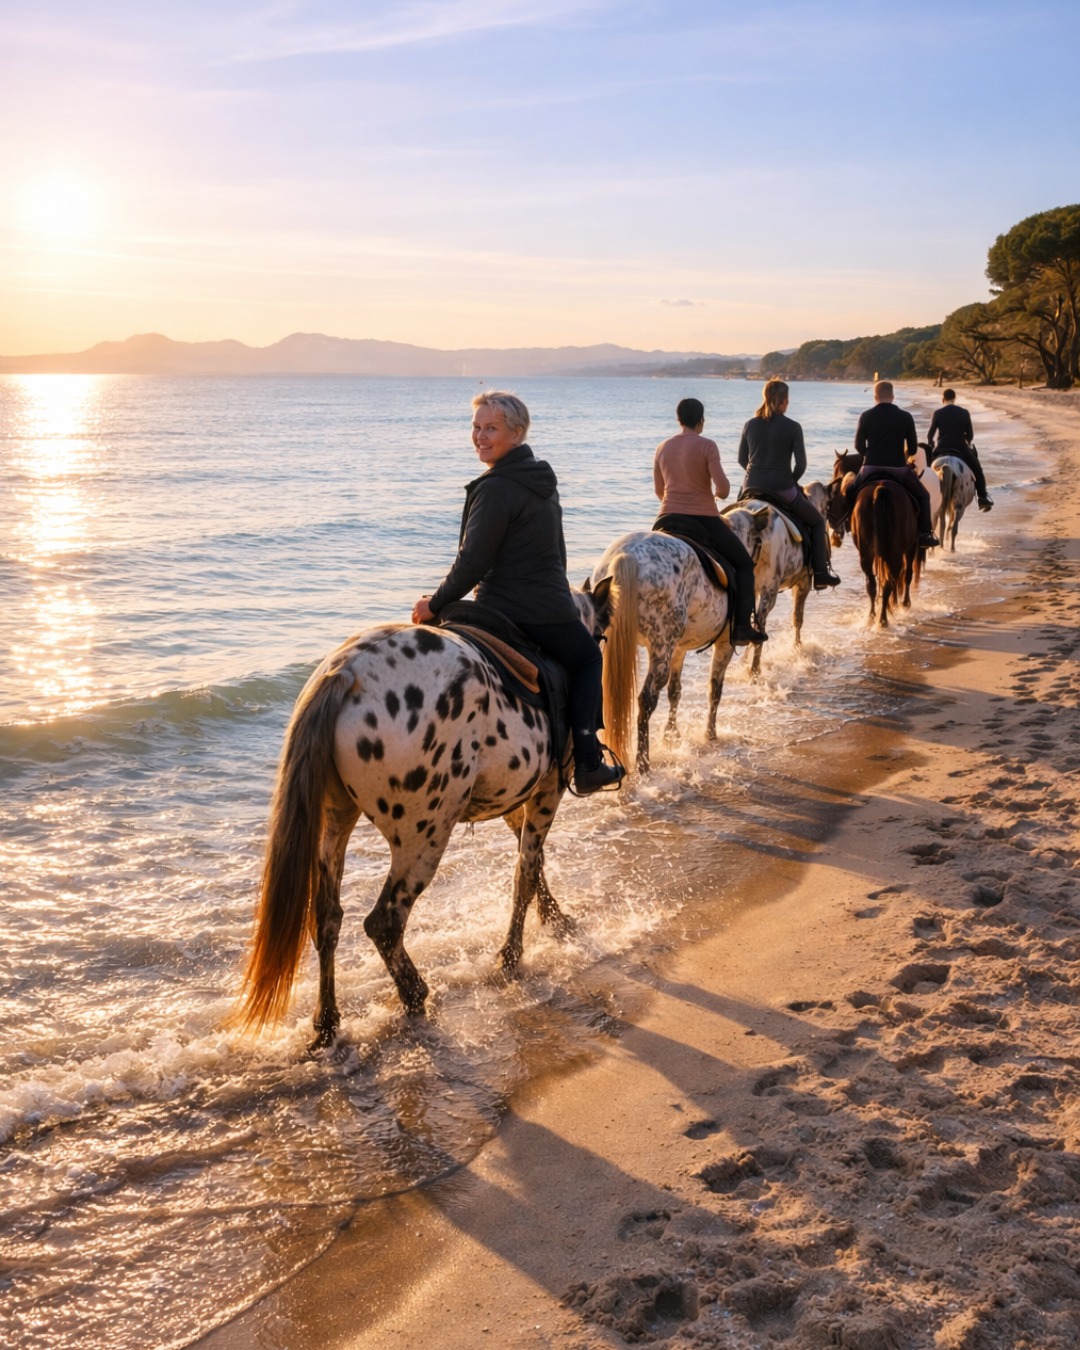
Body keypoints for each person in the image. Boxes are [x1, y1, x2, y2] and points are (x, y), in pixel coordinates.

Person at [412, 391, 623, 795]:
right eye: (476, 427)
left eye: (490, 428)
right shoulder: (541, 480)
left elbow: (471, 562)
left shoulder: (496, 488)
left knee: (587, 657)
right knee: (587, 658)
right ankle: (587, 759)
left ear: (517, 433)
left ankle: (586, 759)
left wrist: (433, 605)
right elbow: (557, 553)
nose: (479, 436)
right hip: (545, 605)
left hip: (503, 607)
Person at [652, 398, 766, 645]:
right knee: (745, 565)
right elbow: (724, 490)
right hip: (703, 519)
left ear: (679, 420)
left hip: (666, 518)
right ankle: (742, 628)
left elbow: (659, 491)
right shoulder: (707, 445)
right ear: (701, 421)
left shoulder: (662, 448)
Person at [737, 379, 841, 590]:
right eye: (787, 400)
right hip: (782, 489)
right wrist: (791, 480)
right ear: (784, 401)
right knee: (817, 523)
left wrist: (757, 475)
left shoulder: (750, 424)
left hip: (751, 489)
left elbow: (742, 459)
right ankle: (820, 574)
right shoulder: (793, 427)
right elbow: (801, 464)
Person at [845, 381, 940, 549]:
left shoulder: (866, 416)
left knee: (849, 491)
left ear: (875, 397)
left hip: (871, 467)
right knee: (923, 496)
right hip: (899, 469)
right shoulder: (905, 417)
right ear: (893, 396)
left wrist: (871, 455)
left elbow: (858, 446)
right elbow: (911, 449)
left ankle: (846, 526)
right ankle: (926, 533)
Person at [926, 388, 993, 510]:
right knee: (977, 470)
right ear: (954, 398)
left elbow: (930, 435)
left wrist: (931, 446)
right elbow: (970, 435)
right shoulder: (964, 412)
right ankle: (982, 497)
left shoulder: (938, 413)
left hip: (941, 448)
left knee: (925, 470)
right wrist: (967, 441)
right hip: (960, 448)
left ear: (943, 399)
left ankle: (923, 498)